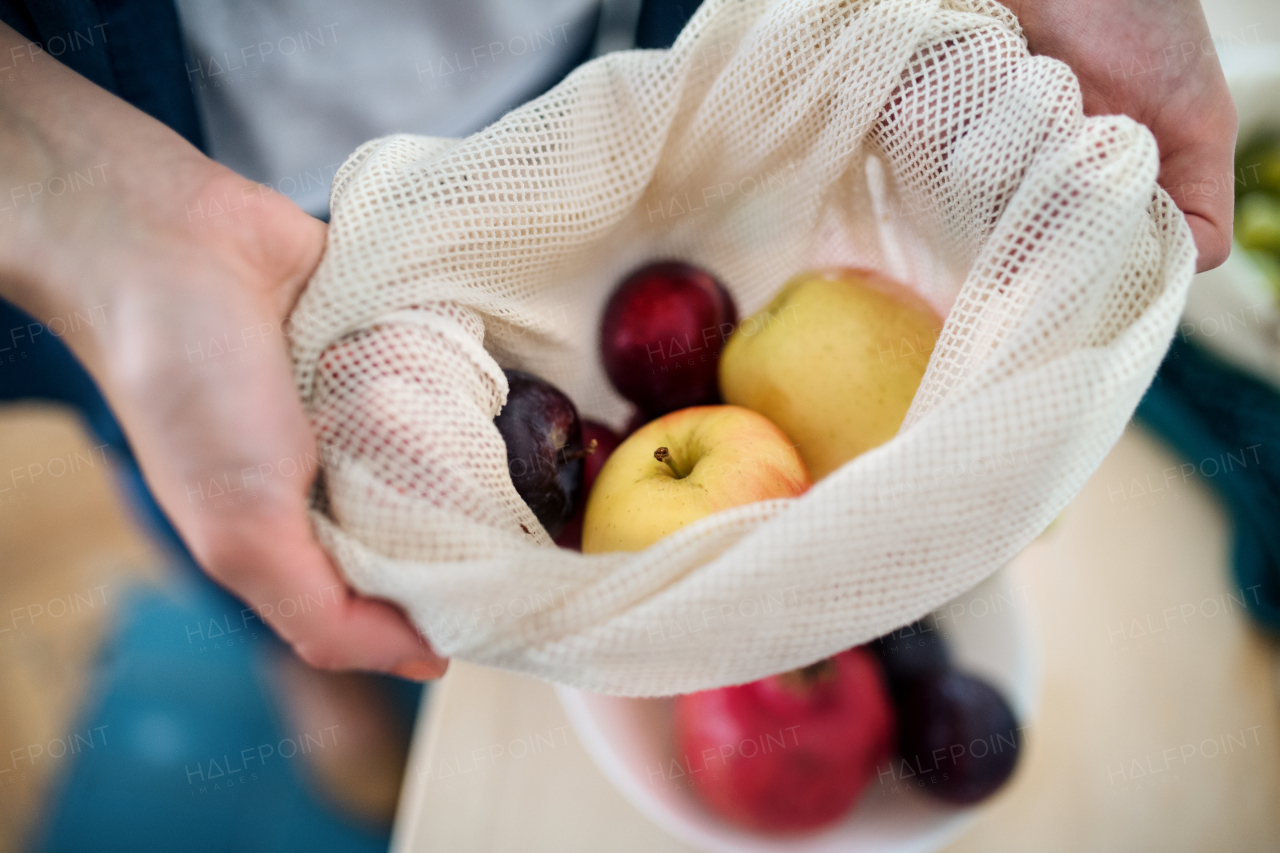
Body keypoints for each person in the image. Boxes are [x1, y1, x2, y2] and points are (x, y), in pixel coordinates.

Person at [0, 0, 1237, 682]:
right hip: (158, 139)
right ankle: (302, 674)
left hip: (609, 51)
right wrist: (57, 179)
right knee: (224, 468)